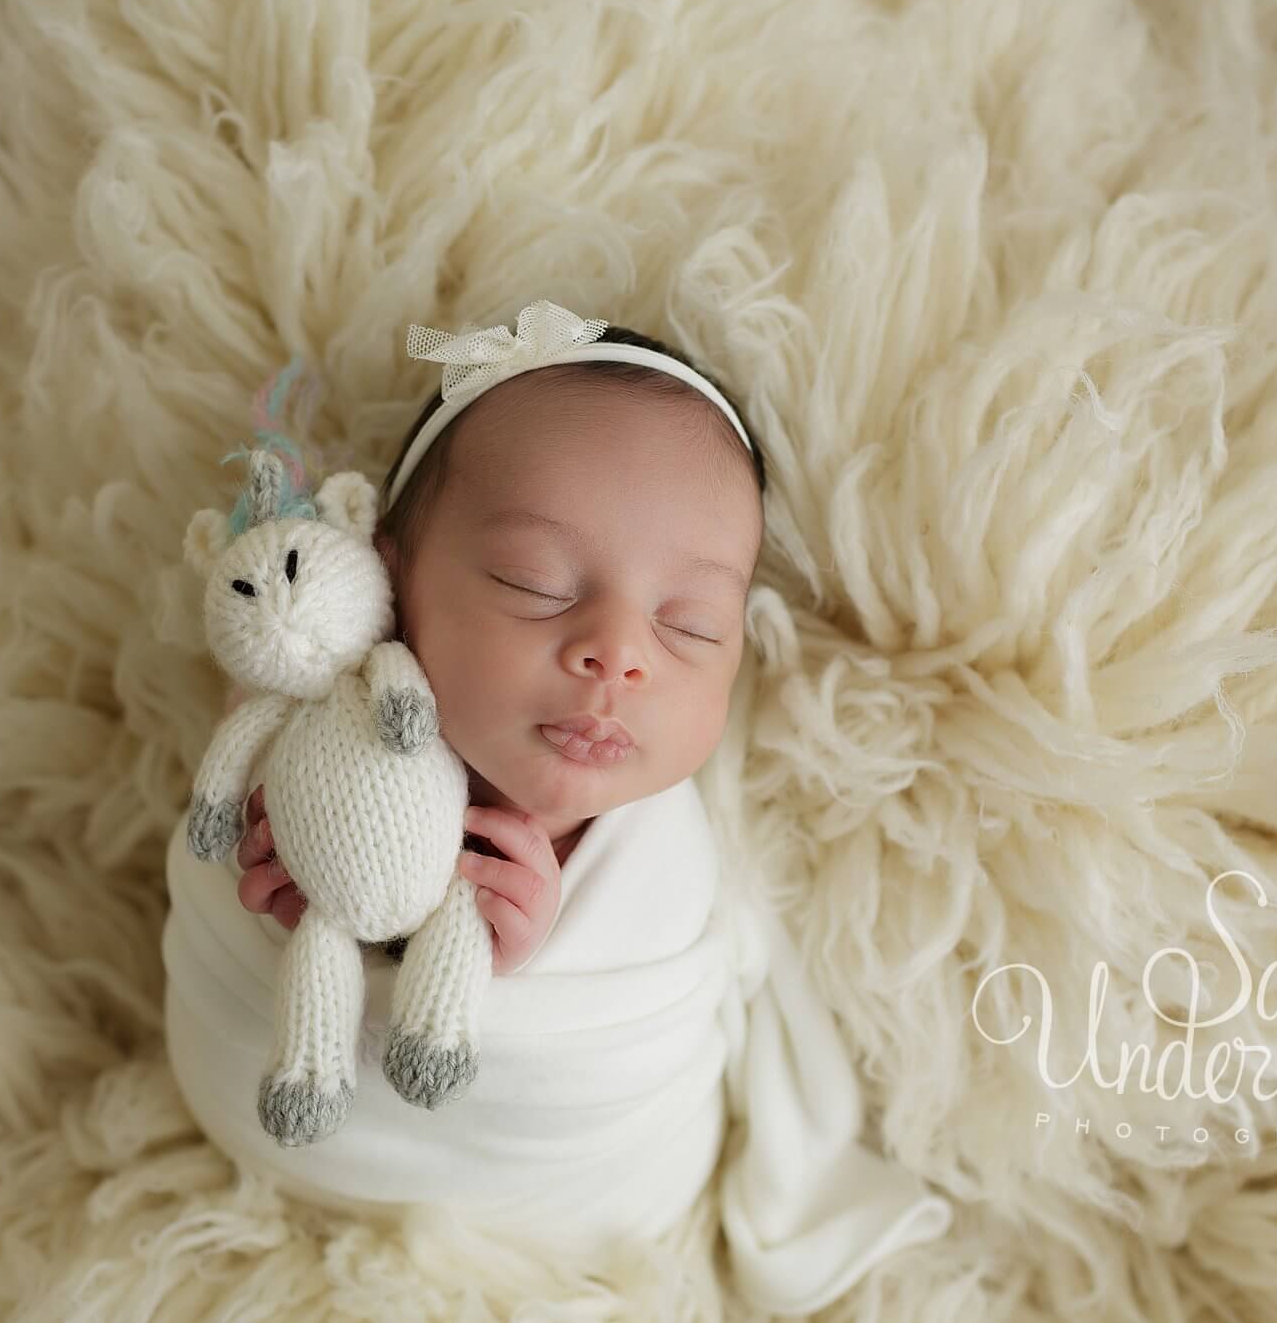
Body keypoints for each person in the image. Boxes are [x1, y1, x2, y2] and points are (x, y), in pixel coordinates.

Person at [161, 301, 952, 1315]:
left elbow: (640, 1001)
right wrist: (283, 898)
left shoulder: (653, 856)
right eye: (533, 583)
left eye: (688, 624)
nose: (616, 653)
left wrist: (528, 958)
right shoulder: (313, 725)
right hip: (268, 1142)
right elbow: (217, 853)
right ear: (391, 581)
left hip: (571, 1219)